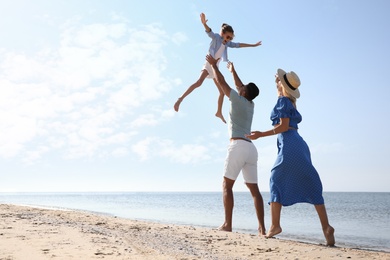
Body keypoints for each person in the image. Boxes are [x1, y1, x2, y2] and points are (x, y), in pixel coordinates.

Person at [245, 69, 335, 246]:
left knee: (275, 179)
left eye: (279, 83)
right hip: (299, 144)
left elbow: (283, 127)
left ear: (283, 86)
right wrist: (279, 83)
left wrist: (260, 134)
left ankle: (275, 226)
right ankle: (326, 227)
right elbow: (284, 100)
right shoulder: (291, 102)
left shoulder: (283, 102)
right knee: (311, 182)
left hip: (288, 144)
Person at [205, 54, 266, 236]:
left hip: (238, 145)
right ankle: (262, 228)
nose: (240, 87)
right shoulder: (250, 104)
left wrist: (213, 66)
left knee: (227, 186)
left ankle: (227, 224)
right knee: (254, 189)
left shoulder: (236, 99)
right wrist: (233, 70)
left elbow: (222, 83)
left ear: (244, 93)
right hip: (251, 149)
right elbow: (240, 86)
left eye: (243, 88)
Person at [174, 13, 262, 124]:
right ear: (222, 34)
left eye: (230, 38)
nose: (229, 39)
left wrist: (253, 45)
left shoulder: (227, 44)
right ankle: (180, 99)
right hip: (209, 63)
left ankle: (218, 112)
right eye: (227, 37)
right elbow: (209, 32)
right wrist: (204, 24)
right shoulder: (216, 38)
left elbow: (239, 45)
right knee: (199, 82)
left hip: (215, 67)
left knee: (222, 92)